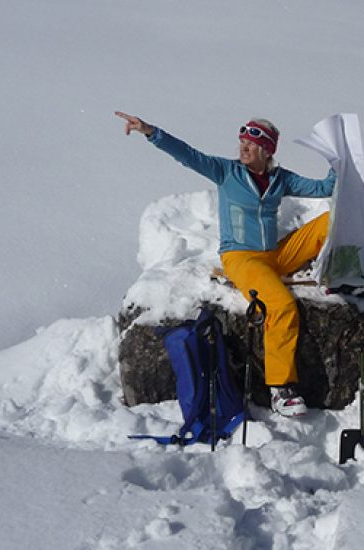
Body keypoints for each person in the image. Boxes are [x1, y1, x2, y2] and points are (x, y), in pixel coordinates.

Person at [115, 111, 337, 417]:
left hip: (274, 256)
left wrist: (339, 163)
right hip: (241, 258)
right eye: (242, 141)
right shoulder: (226, 172)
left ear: (267, 150)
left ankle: (350, 270)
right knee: (282, 306)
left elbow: (323, 189)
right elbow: (189, 156)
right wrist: (151, 132)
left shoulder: (279, 179)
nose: (243, 147)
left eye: (251, 143)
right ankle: (281, 388)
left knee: (331, 220)